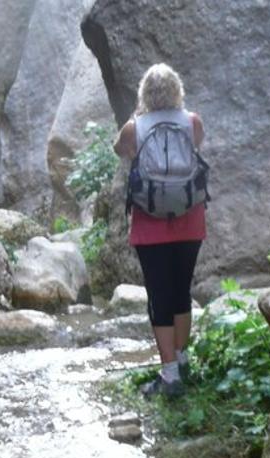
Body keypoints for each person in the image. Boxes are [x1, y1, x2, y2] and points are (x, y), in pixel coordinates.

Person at [113, 63, 206, 398]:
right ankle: (181, 362)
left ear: (144, 93)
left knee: (159, 296)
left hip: (150, 222)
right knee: (182, 291)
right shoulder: (192, 121)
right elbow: (197, 148)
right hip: (190, 219)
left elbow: (120, 152)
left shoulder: (134, 127)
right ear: (177, 90)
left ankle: (169, 377)